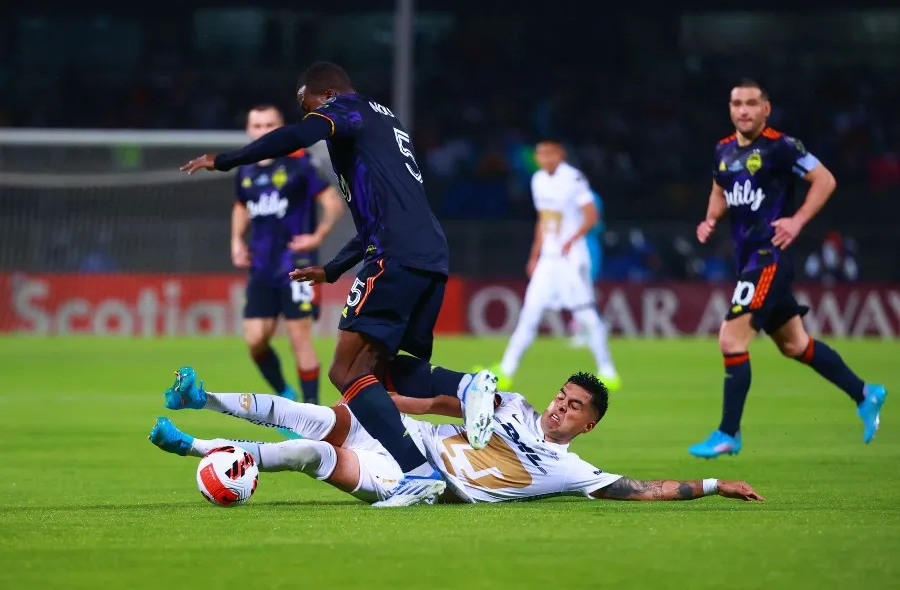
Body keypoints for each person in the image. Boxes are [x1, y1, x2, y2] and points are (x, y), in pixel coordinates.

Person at [181, 62, 493, 507]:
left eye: (303, 102)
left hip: (395, 256)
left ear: (323, 94)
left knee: (344, 372)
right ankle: (463, 390)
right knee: (382, 373)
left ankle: (420, 469)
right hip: (429, 255)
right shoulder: (385, 120)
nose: (304, 112)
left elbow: (295, 138)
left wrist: (226, 160)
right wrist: (332, 269)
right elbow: (380, 217)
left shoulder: (345, 109)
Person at [149, 362, 763, 504]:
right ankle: (201, 399)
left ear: (589, 423)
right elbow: (449, 397)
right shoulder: (517, 405)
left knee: (313, 451)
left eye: (574, 407)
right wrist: (395, 401)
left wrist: (717, 483)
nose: (559, 408)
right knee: (315, 414)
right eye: (561, 396)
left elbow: (645, 488)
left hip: (422, 478)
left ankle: (200, 449)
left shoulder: (574, 471)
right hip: (409, 435)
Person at [689, 79, 886, 459]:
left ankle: (728, 432)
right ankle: (865, 393)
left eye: (750, 103)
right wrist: (710, 219)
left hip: (769, 258)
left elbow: (825, 180)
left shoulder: (781, 146)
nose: (743, 110)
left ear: (766, 109)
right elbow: (719, 189)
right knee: (796, 345)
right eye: (736, 104)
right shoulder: (723, 150)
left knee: (731, 339)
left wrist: (796, 222)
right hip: (747, 259)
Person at [232, 104, 344, 405]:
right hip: (262, 267)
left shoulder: (301, 163)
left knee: (300, 340)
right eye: (257, 126)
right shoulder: (246, 168)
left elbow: (333, 203)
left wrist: (317, 236)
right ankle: (284, 392)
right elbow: (241, 206)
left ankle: (311, 417)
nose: (263, 131)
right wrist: (236, 240)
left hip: (297, 266)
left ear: (281, 129)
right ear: (249, 130)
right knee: (255, 340)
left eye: (270, 125)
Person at [488, 141, 620, 391]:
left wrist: (571, 240)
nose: (544, 159)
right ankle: (506, 371)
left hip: (571, 259)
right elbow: (543, 219)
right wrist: (534, 254)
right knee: (529, 314)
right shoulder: (538, 180)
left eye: (549, 154)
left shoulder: (574, 179)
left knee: (585, 314)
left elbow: (591, 216)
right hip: (548, 260)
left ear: (560, 155)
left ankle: (608, 370)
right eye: (540, 155)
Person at [569, 189, 605, 348]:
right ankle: (585, 329)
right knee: (575, 291)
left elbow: (595, 223)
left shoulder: (590, 197)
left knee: (584, 291)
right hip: (572, 249)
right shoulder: (565, 194)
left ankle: (587, 330)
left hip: (587, 248)